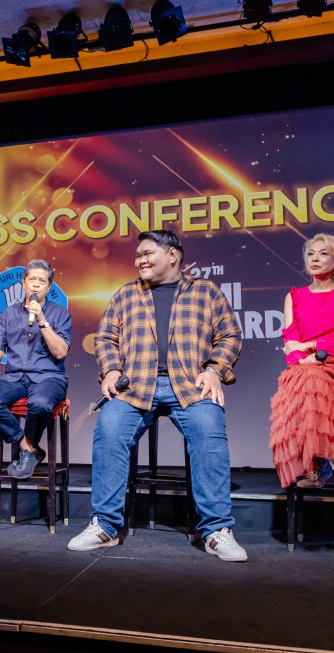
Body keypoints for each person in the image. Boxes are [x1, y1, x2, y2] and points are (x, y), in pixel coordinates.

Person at [67, 230, 247, 561]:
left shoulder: (205, 291)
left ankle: (216, 530)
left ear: (172, 256)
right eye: (138, 255)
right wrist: (111, 371)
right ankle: (105, 526)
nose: (140, 260)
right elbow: (105, 338)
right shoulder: (126, 294)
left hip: (189, 384)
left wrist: (213, 370)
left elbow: (230, 335)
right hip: (136, 386)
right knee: (109, 429)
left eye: (148, 253)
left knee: (209, 432)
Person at [268, 234, 334, 501]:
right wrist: (303, 358)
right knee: (309, 380)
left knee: (312, 381)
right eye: (310, 253)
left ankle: (319, 466)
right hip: (304, 368)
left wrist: (313, 346)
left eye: (323, 253)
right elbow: (291, 343)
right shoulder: (295, 296)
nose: (315, 259)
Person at [0, 259, 72, 480]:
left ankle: (28, 450)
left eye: (42, 281)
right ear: (23, 282)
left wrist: (42, 320)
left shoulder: (60, 314)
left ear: (49, 286)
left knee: (40, 404)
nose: (36, 285)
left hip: (49, 377)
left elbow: (60, 352)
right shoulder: (9, 314)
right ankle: (28, 448)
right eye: (32, 279)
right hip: (15, 377)